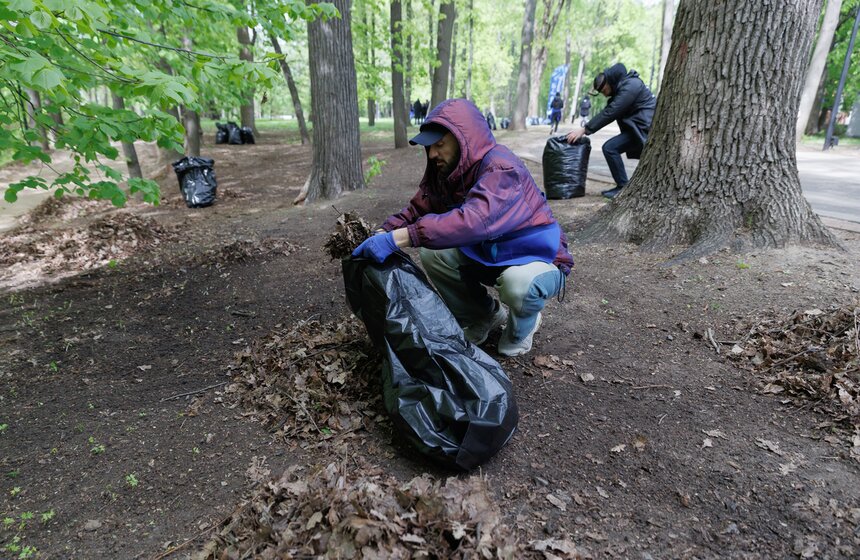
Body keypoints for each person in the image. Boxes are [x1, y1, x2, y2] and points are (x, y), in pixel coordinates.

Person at [352, 98, 573, 357]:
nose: (432, 154)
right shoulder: (449, 171)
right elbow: (417, 209)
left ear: (463, 139)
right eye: (429, 147)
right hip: (491, 254)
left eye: (439, 145)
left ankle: (523, 327)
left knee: (518, 286)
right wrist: (383, 232)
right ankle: (483, 316)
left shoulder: (501, 168)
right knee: (434, 254)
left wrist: (401, 238)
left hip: (537, 257)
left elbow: (475, 221)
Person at [565, 63, 656, 199]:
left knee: (610, 148)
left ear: (611, 82)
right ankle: (622, 186)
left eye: (603, 90)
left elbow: (611, 112)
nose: (603, 94)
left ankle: (622, 187)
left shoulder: (631, 86)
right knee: (610, 148)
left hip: (645, 129)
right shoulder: (624, 88)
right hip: (638, 128)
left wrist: (585, 129)